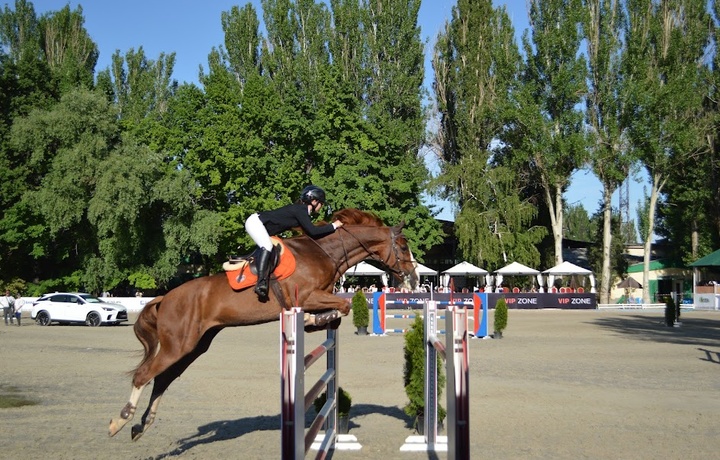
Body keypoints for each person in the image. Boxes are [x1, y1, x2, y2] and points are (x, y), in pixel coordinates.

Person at [245, 185, 343, 298]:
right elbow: (313, 231)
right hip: (255, 222)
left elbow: (310, 233)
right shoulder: (301, 210)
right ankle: (261, 283)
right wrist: (334, 226)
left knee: (273, 248)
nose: (321, 206)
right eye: (321, 203)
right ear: (315, 201)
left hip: (259, 224)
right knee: (267, 245)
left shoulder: (301, 210)